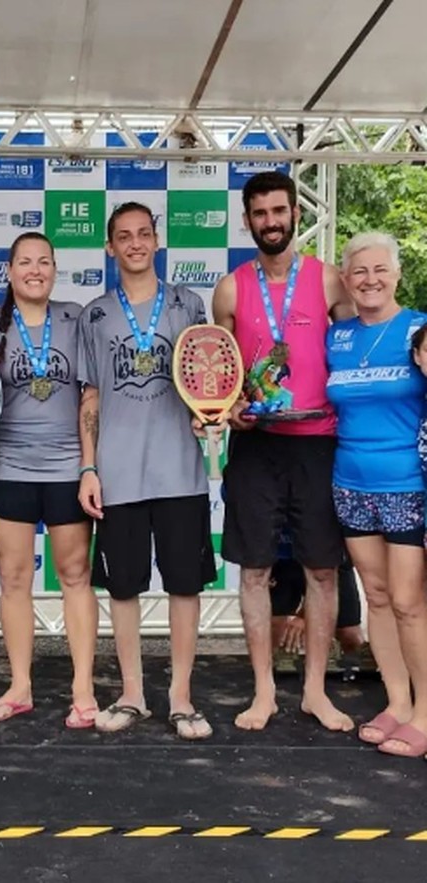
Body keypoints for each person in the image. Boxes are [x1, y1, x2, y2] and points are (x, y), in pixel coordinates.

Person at [212, 170, 354, 732]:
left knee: (322, 572)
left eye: (279, 211)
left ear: (296, 214)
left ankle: (316, 691)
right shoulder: (229, 289)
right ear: (246, 220)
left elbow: (352, 357)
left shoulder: (330, 281)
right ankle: (264, 692)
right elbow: (220, 376)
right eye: (260, 213)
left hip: (318, 446)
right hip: (256, 447)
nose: (270, 221)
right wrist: (232, 411)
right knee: (254, 573)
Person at [77, 201, 216, 740]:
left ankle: (182, 697)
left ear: (157, 241)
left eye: (143, 234)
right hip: (118, 473)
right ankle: (133, 694)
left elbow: (208, 380)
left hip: (180, 469)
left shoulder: (188, 303)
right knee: (123, 589)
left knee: (184, 586)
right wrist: (89, 467)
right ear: (110, 248)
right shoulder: (94, 314)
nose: (135, 243)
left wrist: (212, 417)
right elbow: (89, 395)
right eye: (123, 236)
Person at [0, 232, 96, 727]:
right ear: (10, 272)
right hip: (9, 468)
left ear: (55, 270)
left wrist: (88, 466)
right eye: (25, 262)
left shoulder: (75, 318)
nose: (35, 270)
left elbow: (90, 396)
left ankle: (82, 689)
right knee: (14, 578)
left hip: (67, 468)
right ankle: (20, 686)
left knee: (75, 576)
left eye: (44, 261)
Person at [326, 232, 427, 756]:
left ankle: (426, 713)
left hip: (407, 485)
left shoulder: (419, 329)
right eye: (358, 271)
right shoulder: (336, 337)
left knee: (411, 603)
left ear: (397, 274)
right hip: (350, 484)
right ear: (346, 279)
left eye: (379, 270)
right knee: (380, 598)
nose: (369, 280)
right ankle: (398, 704)